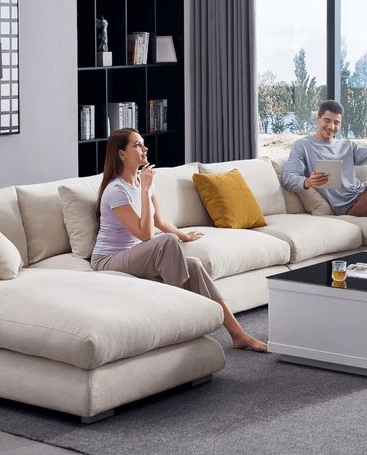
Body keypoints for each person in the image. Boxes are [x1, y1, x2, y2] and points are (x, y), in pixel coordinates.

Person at [91, 128, 267, 353]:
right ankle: (182, 319)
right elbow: (145, 234)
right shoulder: (116, 190)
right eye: (137, 145)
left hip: (136, 256)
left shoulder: (143, 181)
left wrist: (185, 235)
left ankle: (238, 334)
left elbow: (160, 220)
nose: (144, 149)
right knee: (166, 242)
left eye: (143, 144)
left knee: (193, 264)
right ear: (121, 153)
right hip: (108, 260)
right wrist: (144, 191)